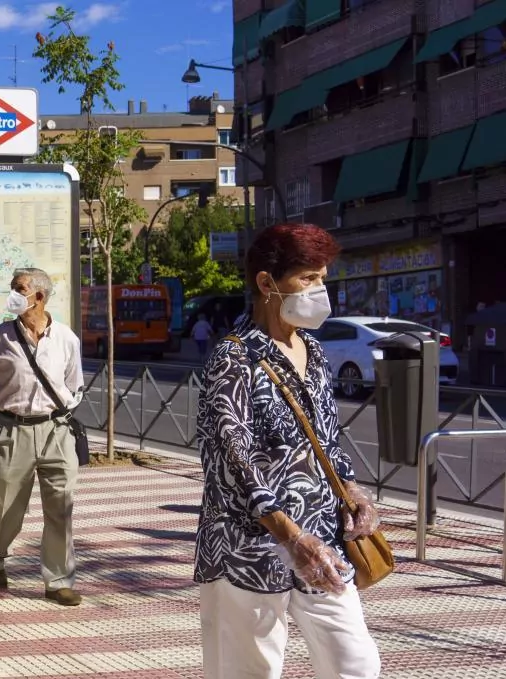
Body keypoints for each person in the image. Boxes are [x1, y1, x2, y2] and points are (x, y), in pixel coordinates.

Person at [195, 223, 382, 679]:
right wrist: (290, 538)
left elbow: (327, 436)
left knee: (356, 664)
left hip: (322, 536)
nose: (320, 290)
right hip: (249, 544)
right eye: (308, 278)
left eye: (323, 278)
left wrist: (352, 489)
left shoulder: (311, 350)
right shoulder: (233, 358)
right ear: (267, 283)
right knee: (250, 670)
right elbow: (234, 461)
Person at [0, 267, 84, 606]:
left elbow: (73, 384)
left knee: (61, 506)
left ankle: (59, 581)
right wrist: (13, 404)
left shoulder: (66, 338)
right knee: (3, 503)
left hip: (56, 430)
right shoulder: (0, 336)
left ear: (39, 296)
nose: (13, 294)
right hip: (12, 429)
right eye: (12, 287)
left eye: (19, 289)